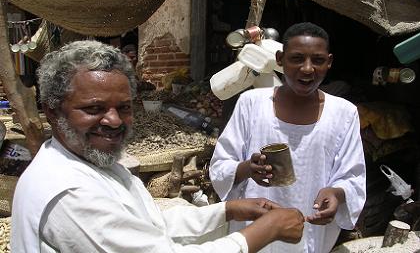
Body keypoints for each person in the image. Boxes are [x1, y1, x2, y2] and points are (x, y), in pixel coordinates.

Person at [11, 40, 305, 253]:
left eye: (124, 107)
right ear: (51, 111)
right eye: (93, 108)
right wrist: (265, 231)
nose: (114, 121)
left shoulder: (93, 162)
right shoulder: (68, 192)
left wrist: (227, 210)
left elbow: (145, 225)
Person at [210, 22, 366, 253]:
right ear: (280, 59)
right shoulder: (251, 104)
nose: (307, 68)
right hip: (254, 232)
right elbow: (221, 165)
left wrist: (336, 194)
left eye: (318, 60)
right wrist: (247, 169)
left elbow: (352, 176)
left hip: (311, 233)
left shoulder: (344, 113)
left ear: (329, 62)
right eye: (297, 58)